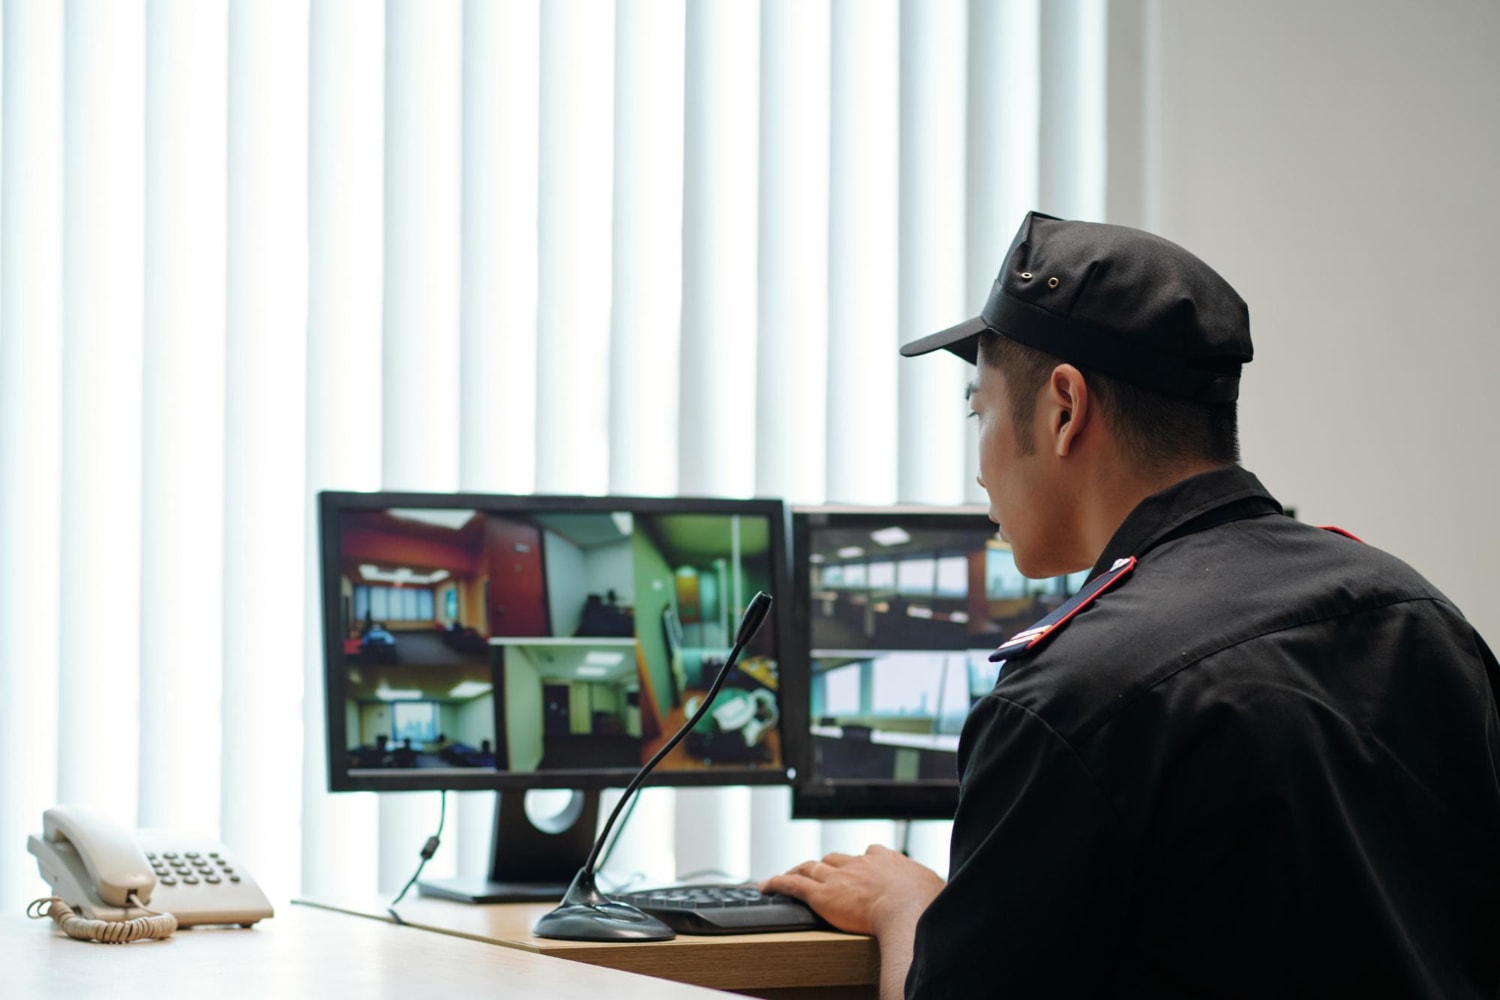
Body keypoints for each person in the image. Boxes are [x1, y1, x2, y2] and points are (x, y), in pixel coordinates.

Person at [763, 211, 1500, 998]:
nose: (978, 468)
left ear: (1064, 408)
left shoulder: (1070, 699)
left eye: (979, 413)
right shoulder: (1423, 618)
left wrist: (909, 907)